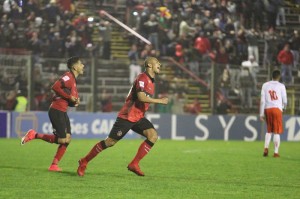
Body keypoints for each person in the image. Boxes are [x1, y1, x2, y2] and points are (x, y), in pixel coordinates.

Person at [77, 57, 169, 177]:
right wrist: (160, 101)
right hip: (127, 116)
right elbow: (141, 97)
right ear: (149, 65)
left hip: (138, 116)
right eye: (157, 62)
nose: (160, 64)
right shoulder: (142, 78)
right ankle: (84, 161)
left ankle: (134, 164)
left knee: (153, 136)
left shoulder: (151, 81)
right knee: (110, 142)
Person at [20, 56, 85, 171]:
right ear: (74, 67)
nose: (83, 65)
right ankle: (34, 135)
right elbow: (55, 87)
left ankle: (54, 165)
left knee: (67, 139)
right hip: (56, 110)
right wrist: (70, 97)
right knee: (62, 140)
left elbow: (66, 99)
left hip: (63, 111)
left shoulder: (73, 81)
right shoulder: (68, 77)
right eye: (80, 64)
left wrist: (73, 102)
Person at [260, 70, 287, 158]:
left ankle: (265, 148)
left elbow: (262, 101)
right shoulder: (281, 86)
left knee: (269, 131)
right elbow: (285, 100)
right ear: (279, 77)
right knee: (276, 132)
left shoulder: (265, 85)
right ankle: (275, 152)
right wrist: (284, 108)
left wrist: (261, 114)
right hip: (277, 109)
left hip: (267, 109)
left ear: (272, 76)